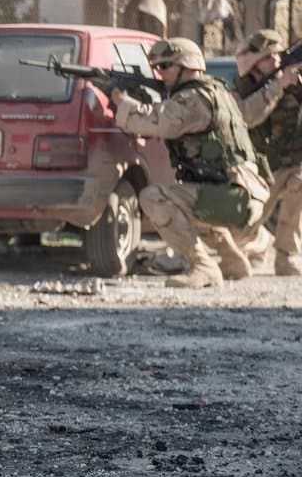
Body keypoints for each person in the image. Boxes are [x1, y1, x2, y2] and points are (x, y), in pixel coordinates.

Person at [110, 38, 270, 287]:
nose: (159, 73)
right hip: (240, 192)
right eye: (157, 68)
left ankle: (203, 267)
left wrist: (123, 104)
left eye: (166, 67)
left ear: (187, 66)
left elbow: (160, 122)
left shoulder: (194, 98)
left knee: (154, 197)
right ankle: (231, 263)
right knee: (188, 199)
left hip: (236, 197)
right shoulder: (215, 91)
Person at [233, 29, 302, 275]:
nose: (276, 60)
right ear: (254, 63)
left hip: (293, 162)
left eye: (278, 55)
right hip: (259, 167)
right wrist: (277, 87)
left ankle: (286, 255)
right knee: (244, 228)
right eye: (269, 56)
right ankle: (260, 245)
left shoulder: (295, 79)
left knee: (299, 186)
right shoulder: (242, 88)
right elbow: (246, 117)